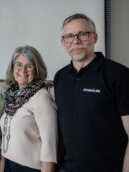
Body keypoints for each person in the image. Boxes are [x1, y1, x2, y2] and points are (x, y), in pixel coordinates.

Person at [54, 13, 129, 172]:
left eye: (82, 34)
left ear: (95, 37)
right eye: (69, 36)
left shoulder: (119, 74)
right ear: (63, 42)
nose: (76, 41)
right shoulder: (60, 77)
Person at [1, 45, 57, 172]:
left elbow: (49, 145)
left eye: (29, 66)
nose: (23, 70)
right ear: (12, 68)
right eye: (19, 65)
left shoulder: (42, 98)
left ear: (37, 70)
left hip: (29, 169)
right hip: (9, 165)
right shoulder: (11, 96)